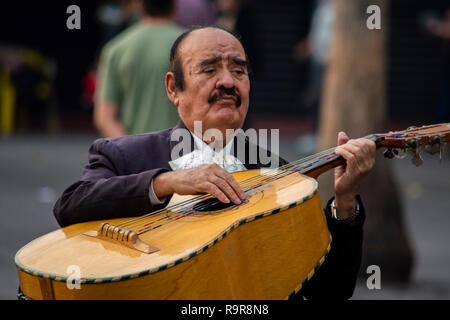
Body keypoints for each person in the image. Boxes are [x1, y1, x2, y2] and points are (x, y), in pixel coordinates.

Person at [54, 26, 376, 300]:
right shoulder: (124, 155)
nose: (228, 82)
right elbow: (70, 205)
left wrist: (345, 202)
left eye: (239, 70)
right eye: (209, 70)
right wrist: (165, 182)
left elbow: (329, 291)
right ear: (173, 88)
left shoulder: (281, 175)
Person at [94, 0, 184, 137]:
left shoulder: (116, 49)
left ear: (140, 5)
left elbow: (105, 118)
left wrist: (132, 151)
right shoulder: (192, 47)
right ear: (175, 5)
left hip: (134, 150)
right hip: (181, 151)